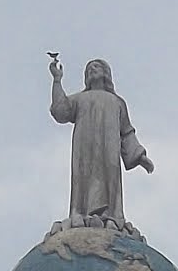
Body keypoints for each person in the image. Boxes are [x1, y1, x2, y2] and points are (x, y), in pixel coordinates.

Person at [49, 56, 154, 230]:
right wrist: (57, 80)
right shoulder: (80, 99)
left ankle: (111, 216)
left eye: (96, 67)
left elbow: (127, 132)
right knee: (83, 174)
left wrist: (140, 156)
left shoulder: (117, 102)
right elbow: (60, 110)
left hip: (109, 147)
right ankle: (79, 213)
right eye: (88, 69)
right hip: (84, 146)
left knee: (109, 175)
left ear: (106, 73)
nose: (92, 70)